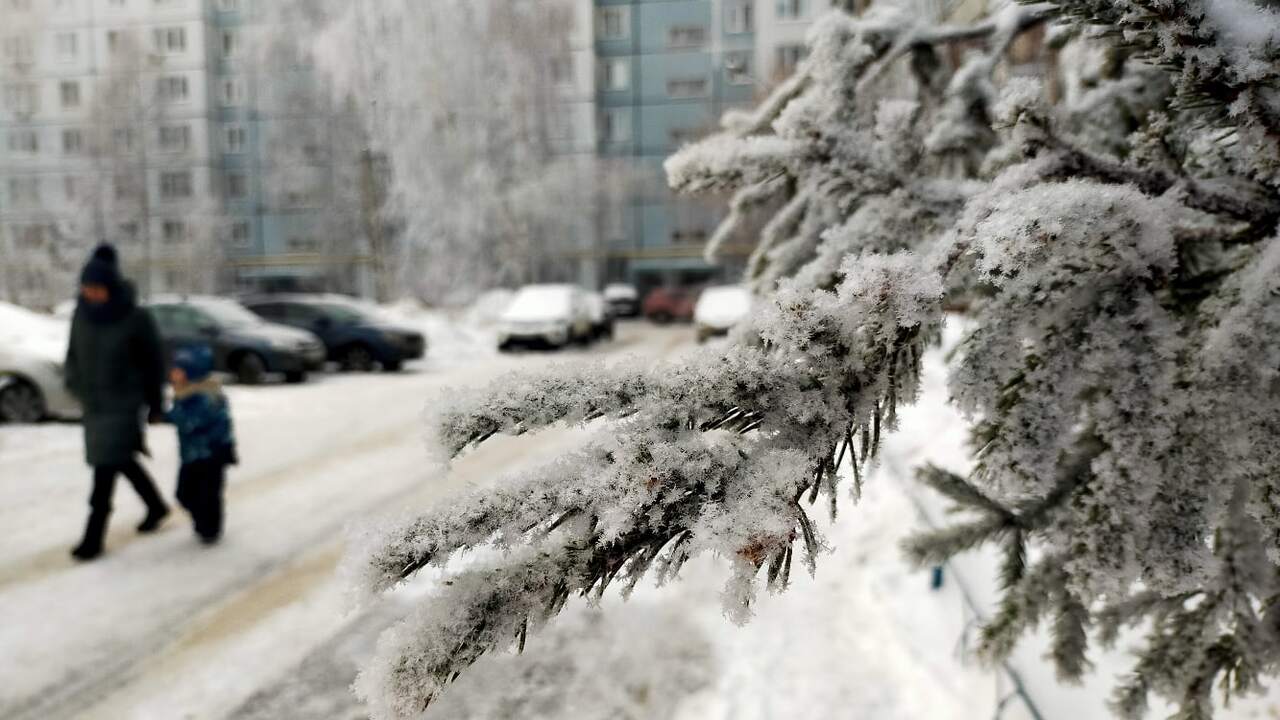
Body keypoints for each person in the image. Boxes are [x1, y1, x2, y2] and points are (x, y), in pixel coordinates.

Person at [65, 244, 170, 561]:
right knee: (121, 459)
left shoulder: (135, 318)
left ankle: (93, 537)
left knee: (105, 467)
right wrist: (74, 383)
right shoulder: (80, 315)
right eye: (86, 288)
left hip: (123, 402)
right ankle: (156, 506)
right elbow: (72, 355)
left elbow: (154, 363)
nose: (91, 294)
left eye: (96, 288)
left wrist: (155, 403)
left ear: (110, 287)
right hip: (94, 403)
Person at [168, 345, 237, 544]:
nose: (173, 373)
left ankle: (210, 529)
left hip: (211, 455)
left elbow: (193, 421)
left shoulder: (206, 395)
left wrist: (166, 416)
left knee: (209, 495)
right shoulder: (186, 393)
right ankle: (204, 521)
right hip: (192, 455)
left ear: (191, 371)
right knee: (184, 493)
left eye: (178, 370)